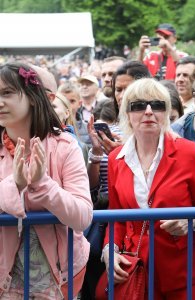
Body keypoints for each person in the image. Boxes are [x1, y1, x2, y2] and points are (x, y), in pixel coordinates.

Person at [100, 78, 195, 299]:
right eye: (139, 105)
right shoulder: (116, 158)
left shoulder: (189, 153)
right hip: (136, 271)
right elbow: (117, 219)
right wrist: (109, 252)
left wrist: (191, 221)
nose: (149, 111)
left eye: (158, 105)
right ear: (127, 113)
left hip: (186, 272)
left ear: (167, 112)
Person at [0, 62, 93, 299]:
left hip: (60, 278)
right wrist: (16, 184)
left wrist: (43, 184)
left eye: (7, 93)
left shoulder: (65, 146)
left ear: (32, 97)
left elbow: (82, 216)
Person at [81, 60, 151, 300]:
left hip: (141, 238)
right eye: (118, 89)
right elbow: (95, 187)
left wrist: (124, 154)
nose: (122, 95)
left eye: (127, 88)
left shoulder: (155, 131)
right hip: (107, 226)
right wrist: (99, 154)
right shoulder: (108, 123)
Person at [58, 82, 91, 147]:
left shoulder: (87, 129)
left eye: (72, 101)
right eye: (64, 101)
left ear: (79, 104)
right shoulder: (52, 128)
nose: (68, 105)